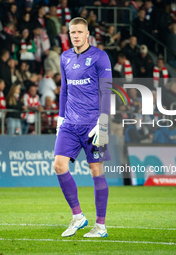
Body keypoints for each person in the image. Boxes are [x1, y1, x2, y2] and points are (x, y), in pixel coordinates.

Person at [54, 17, 111, 238]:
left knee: (96, 171)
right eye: (72, 32)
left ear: (87, 34)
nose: (75, 35)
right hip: (70, 123)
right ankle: (78, 217)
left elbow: (107, 91)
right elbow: (64, 91)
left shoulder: (99, 57)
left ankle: (101, 226)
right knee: (59, 166)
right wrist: (60, 119)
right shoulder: (65, 57)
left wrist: (103, 122)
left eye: (79, 32)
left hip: (96, 124)